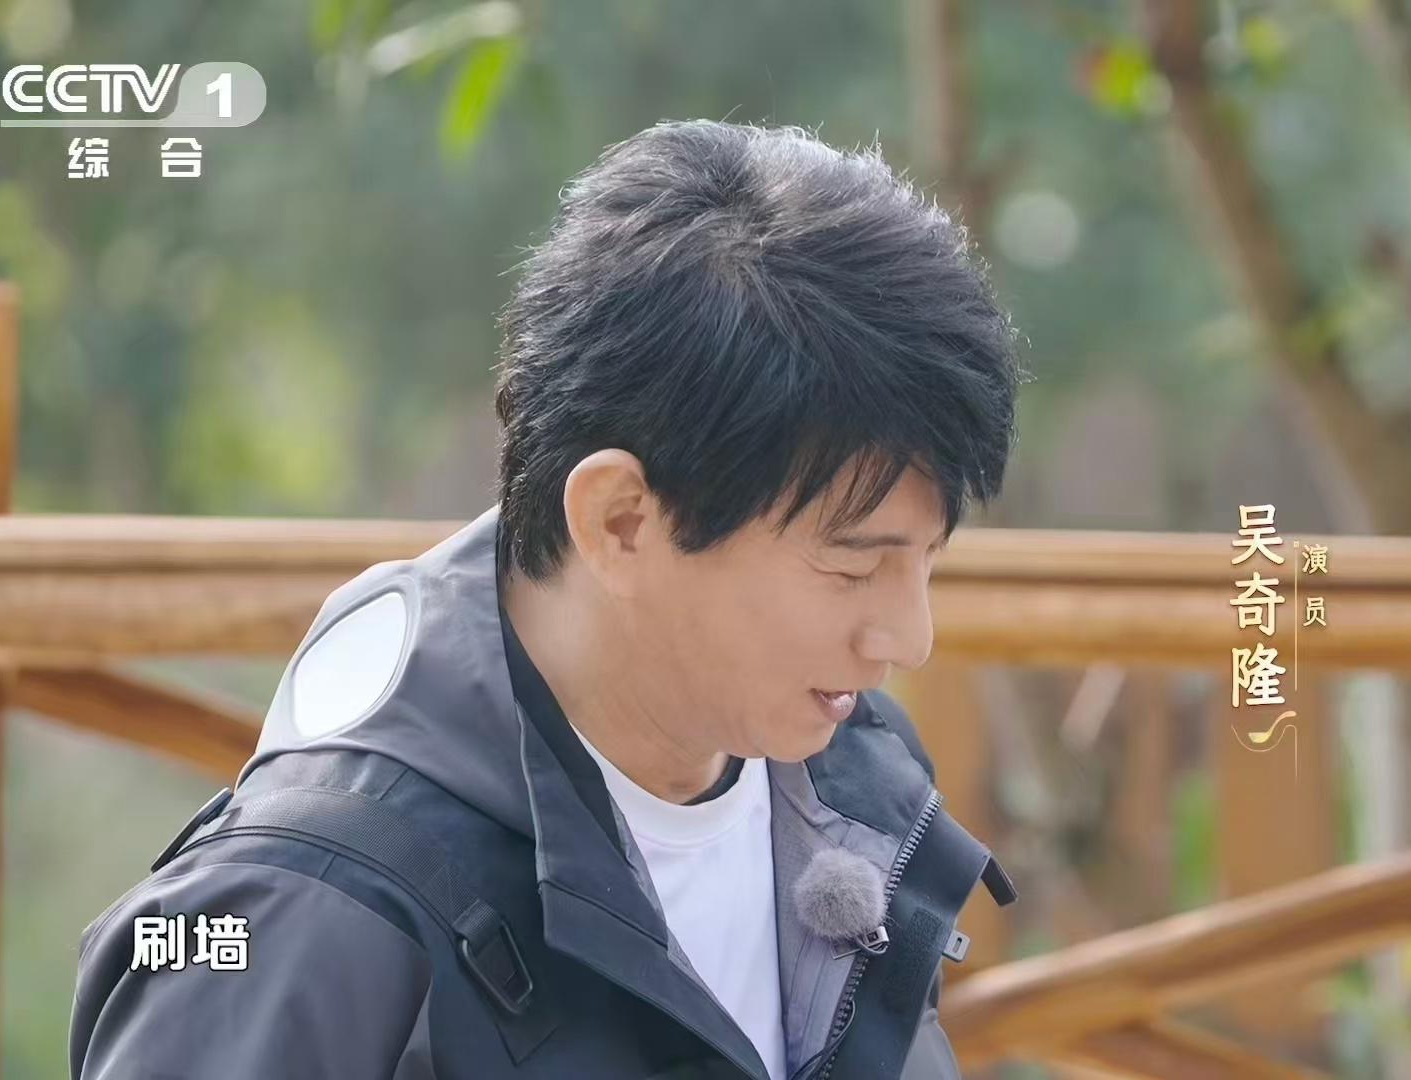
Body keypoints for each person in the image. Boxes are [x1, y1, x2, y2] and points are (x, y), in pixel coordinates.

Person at [69, 120, 1024, 1079]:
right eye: (853, 569)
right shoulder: (301, 915)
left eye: (929, 561)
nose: (910, 637)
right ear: (620, 521)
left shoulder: (851, 781)